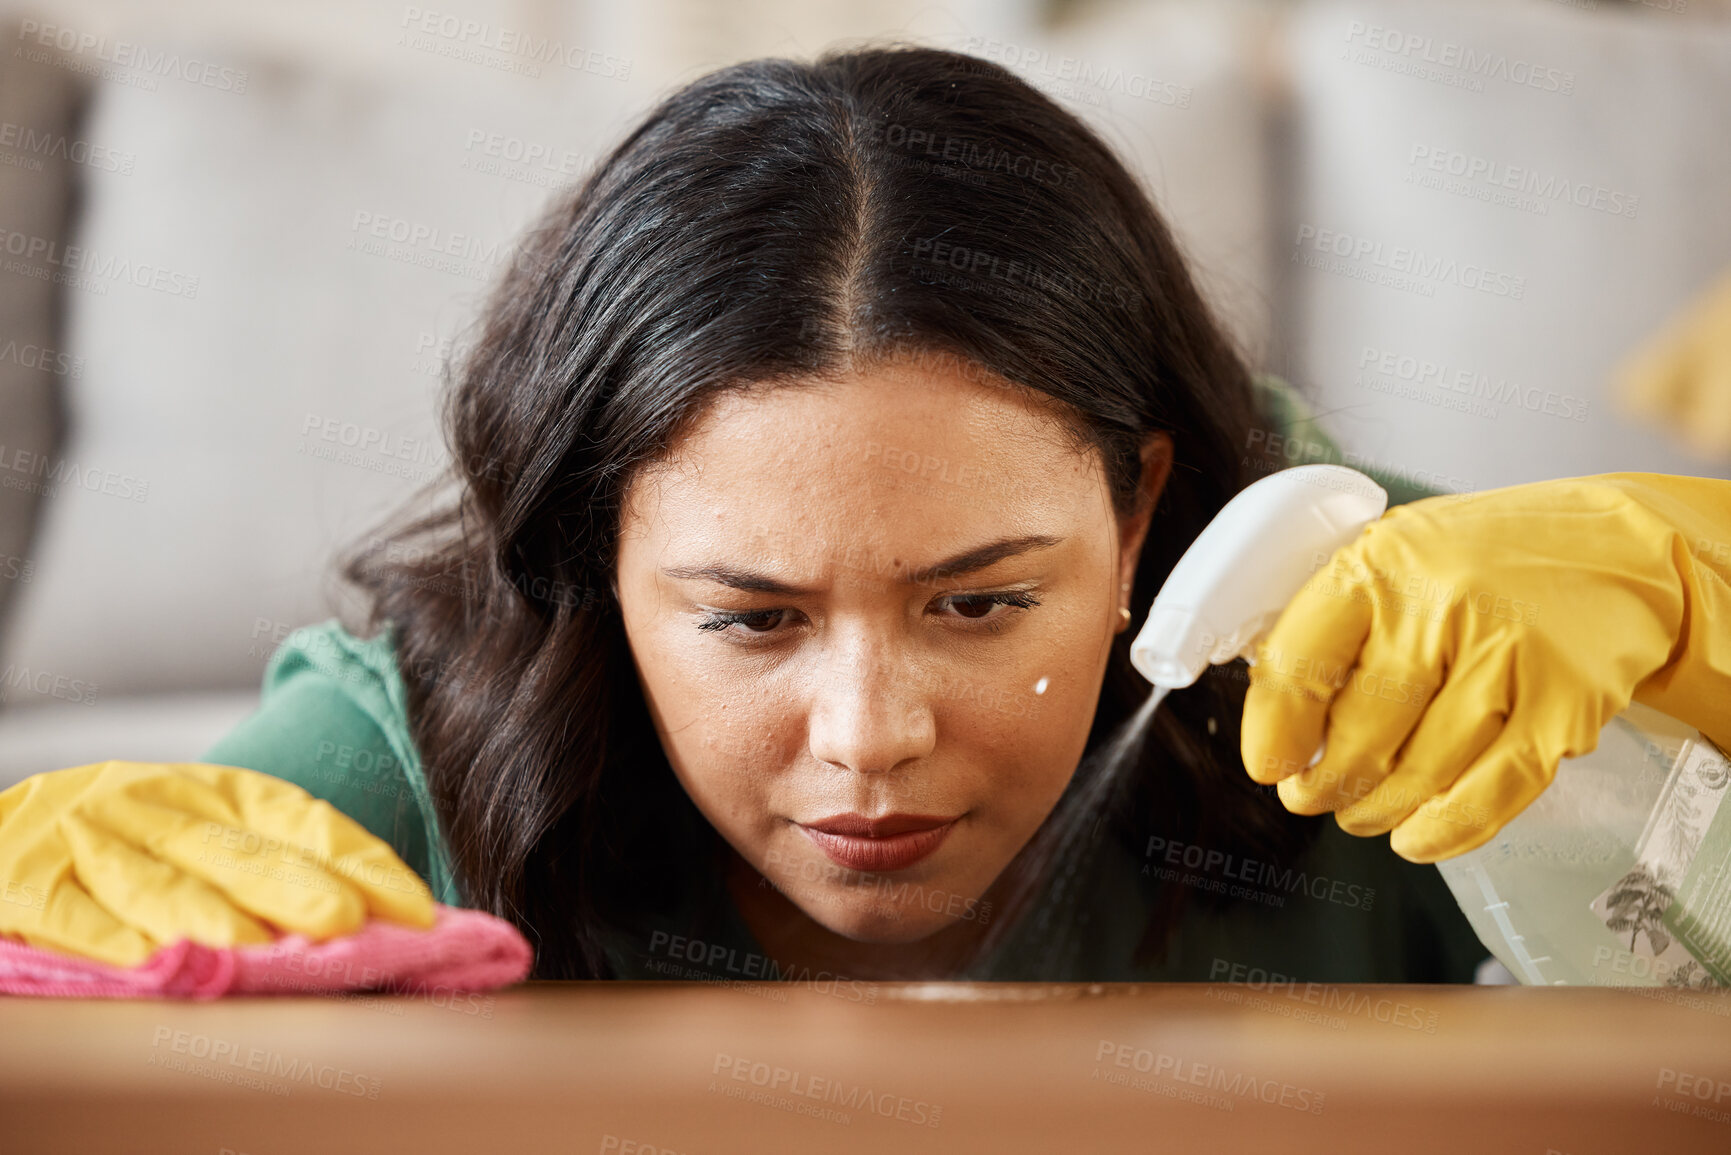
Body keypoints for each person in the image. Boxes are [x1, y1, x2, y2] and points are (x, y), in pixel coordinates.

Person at [5, 47, 1726, 986]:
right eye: (750, 617)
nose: (869, 741)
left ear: (1140, 520)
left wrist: (1697, 605)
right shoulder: (432, 747)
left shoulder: (1374, 639)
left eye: (980, 603)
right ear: (602, 568)